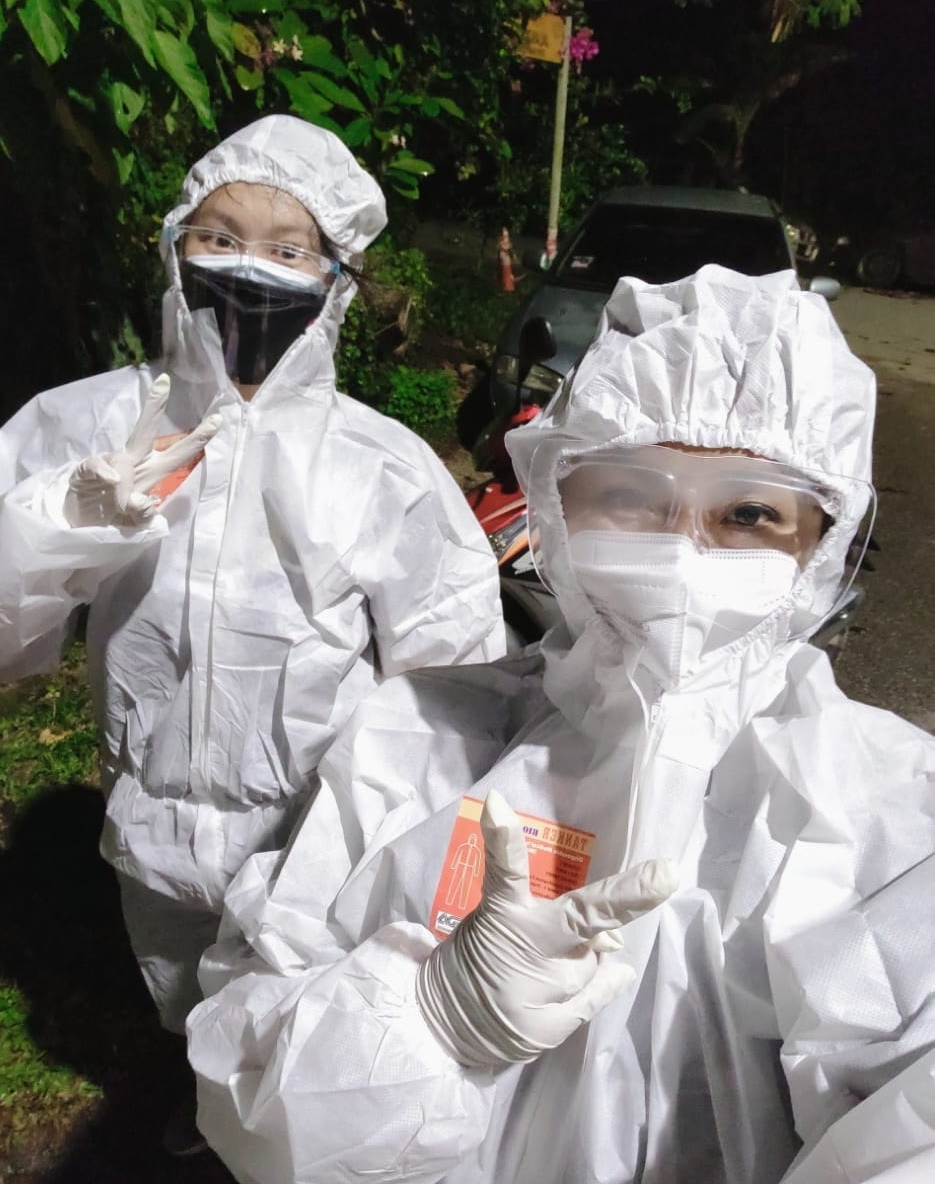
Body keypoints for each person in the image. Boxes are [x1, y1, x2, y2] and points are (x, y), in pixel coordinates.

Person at [186, 265, 935, 1184]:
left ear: (821, 540)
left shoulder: (889, 809)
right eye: (628, 494)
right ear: (555, 501)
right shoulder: (414, 743)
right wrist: (428, 1021)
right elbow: (252, 1090)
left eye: (748, 512)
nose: (679, 547)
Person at [0, 115, 506, 1053]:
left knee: (295, 1033)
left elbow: (454, 678)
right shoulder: (96, 420)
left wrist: (408, 835)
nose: (248, 267)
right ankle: (192, 1091)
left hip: (315, 841)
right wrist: (60, 520)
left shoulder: (380, 465)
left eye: (287, 248)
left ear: (336, 278)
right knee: (183, 1012)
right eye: (218, 238)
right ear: (174, 248)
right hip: (149, 823)